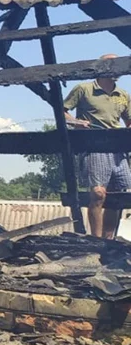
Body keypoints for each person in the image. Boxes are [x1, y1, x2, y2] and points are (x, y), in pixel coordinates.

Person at [63, 54, 131, 239]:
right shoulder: (84, 89)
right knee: (99, 194)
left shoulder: (123, 95)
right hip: (94, 145)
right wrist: (76, 122)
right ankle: (96, 241)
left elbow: (129, 121)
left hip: (118, 148)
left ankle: (109, 243)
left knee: (118, 197)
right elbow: (61, 112)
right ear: (103, 67)